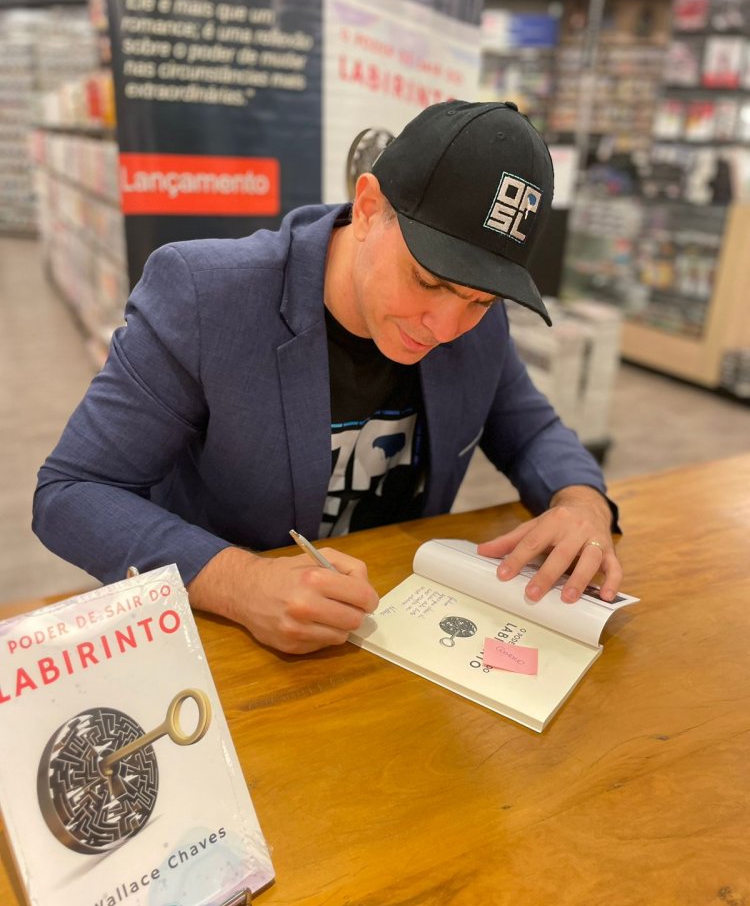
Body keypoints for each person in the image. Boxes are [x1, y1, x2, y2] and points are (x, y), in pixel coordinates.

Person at [33, 100, 622, 655]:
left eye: (480, 299)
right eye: (429, 280)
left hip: (393, 631)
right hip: (226, 640)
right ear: (369, 208)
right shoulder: (204, 296)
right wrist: (238, 581)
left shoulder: (476, 323)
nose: (445, 326)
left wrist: (583, 504)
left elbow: (533, 432)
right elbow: (73, 492)